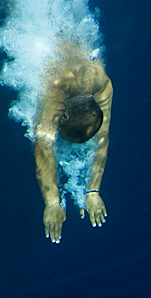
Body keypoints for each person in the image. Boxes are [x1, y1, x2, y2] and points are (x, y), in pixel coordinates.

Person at [34, 41, 112, 243]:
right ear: (64, 115)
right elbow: (43, 148)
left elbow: (102, 137)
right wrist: (52, 202)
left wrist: (93, 190)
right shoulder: (56, 91)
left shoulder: (101, 82)